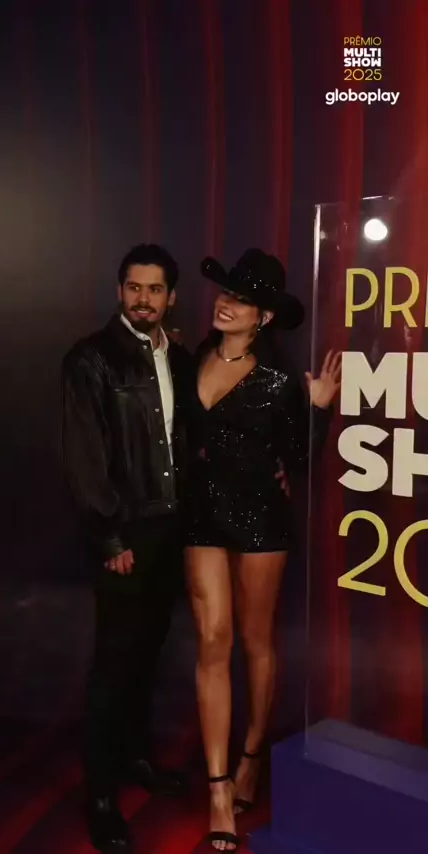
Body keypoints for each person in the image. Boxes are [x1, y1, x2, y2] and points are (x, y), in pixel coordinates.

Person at [183, 249, 341, 851]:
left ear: (264, 317)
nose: (227, 303)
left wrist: (319, 409)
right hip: (202, 515)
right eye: (227, 293)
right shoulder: (191, 359)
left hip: (261, 518)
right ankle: (218, 789)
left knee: (255, 641)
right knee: (213, 639)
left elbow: (297, 460)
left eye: (243, 299)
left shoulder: (278, 379)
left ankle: (251, 757)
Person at [61, 243, 194, 854]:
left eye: (154, 289)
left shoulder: (178, 355)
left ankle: (137, 759)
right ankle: (100, 796)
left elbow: (191, 434)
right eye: (134, 288)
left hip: (170, 531)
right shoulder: (91, 359)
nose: (144, 299)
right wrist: (109, 535)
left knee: (148, 654)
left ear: (171, 297)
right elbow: (84, 457)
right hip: (125, 534)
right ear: (120, 291)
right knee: (113, 664)